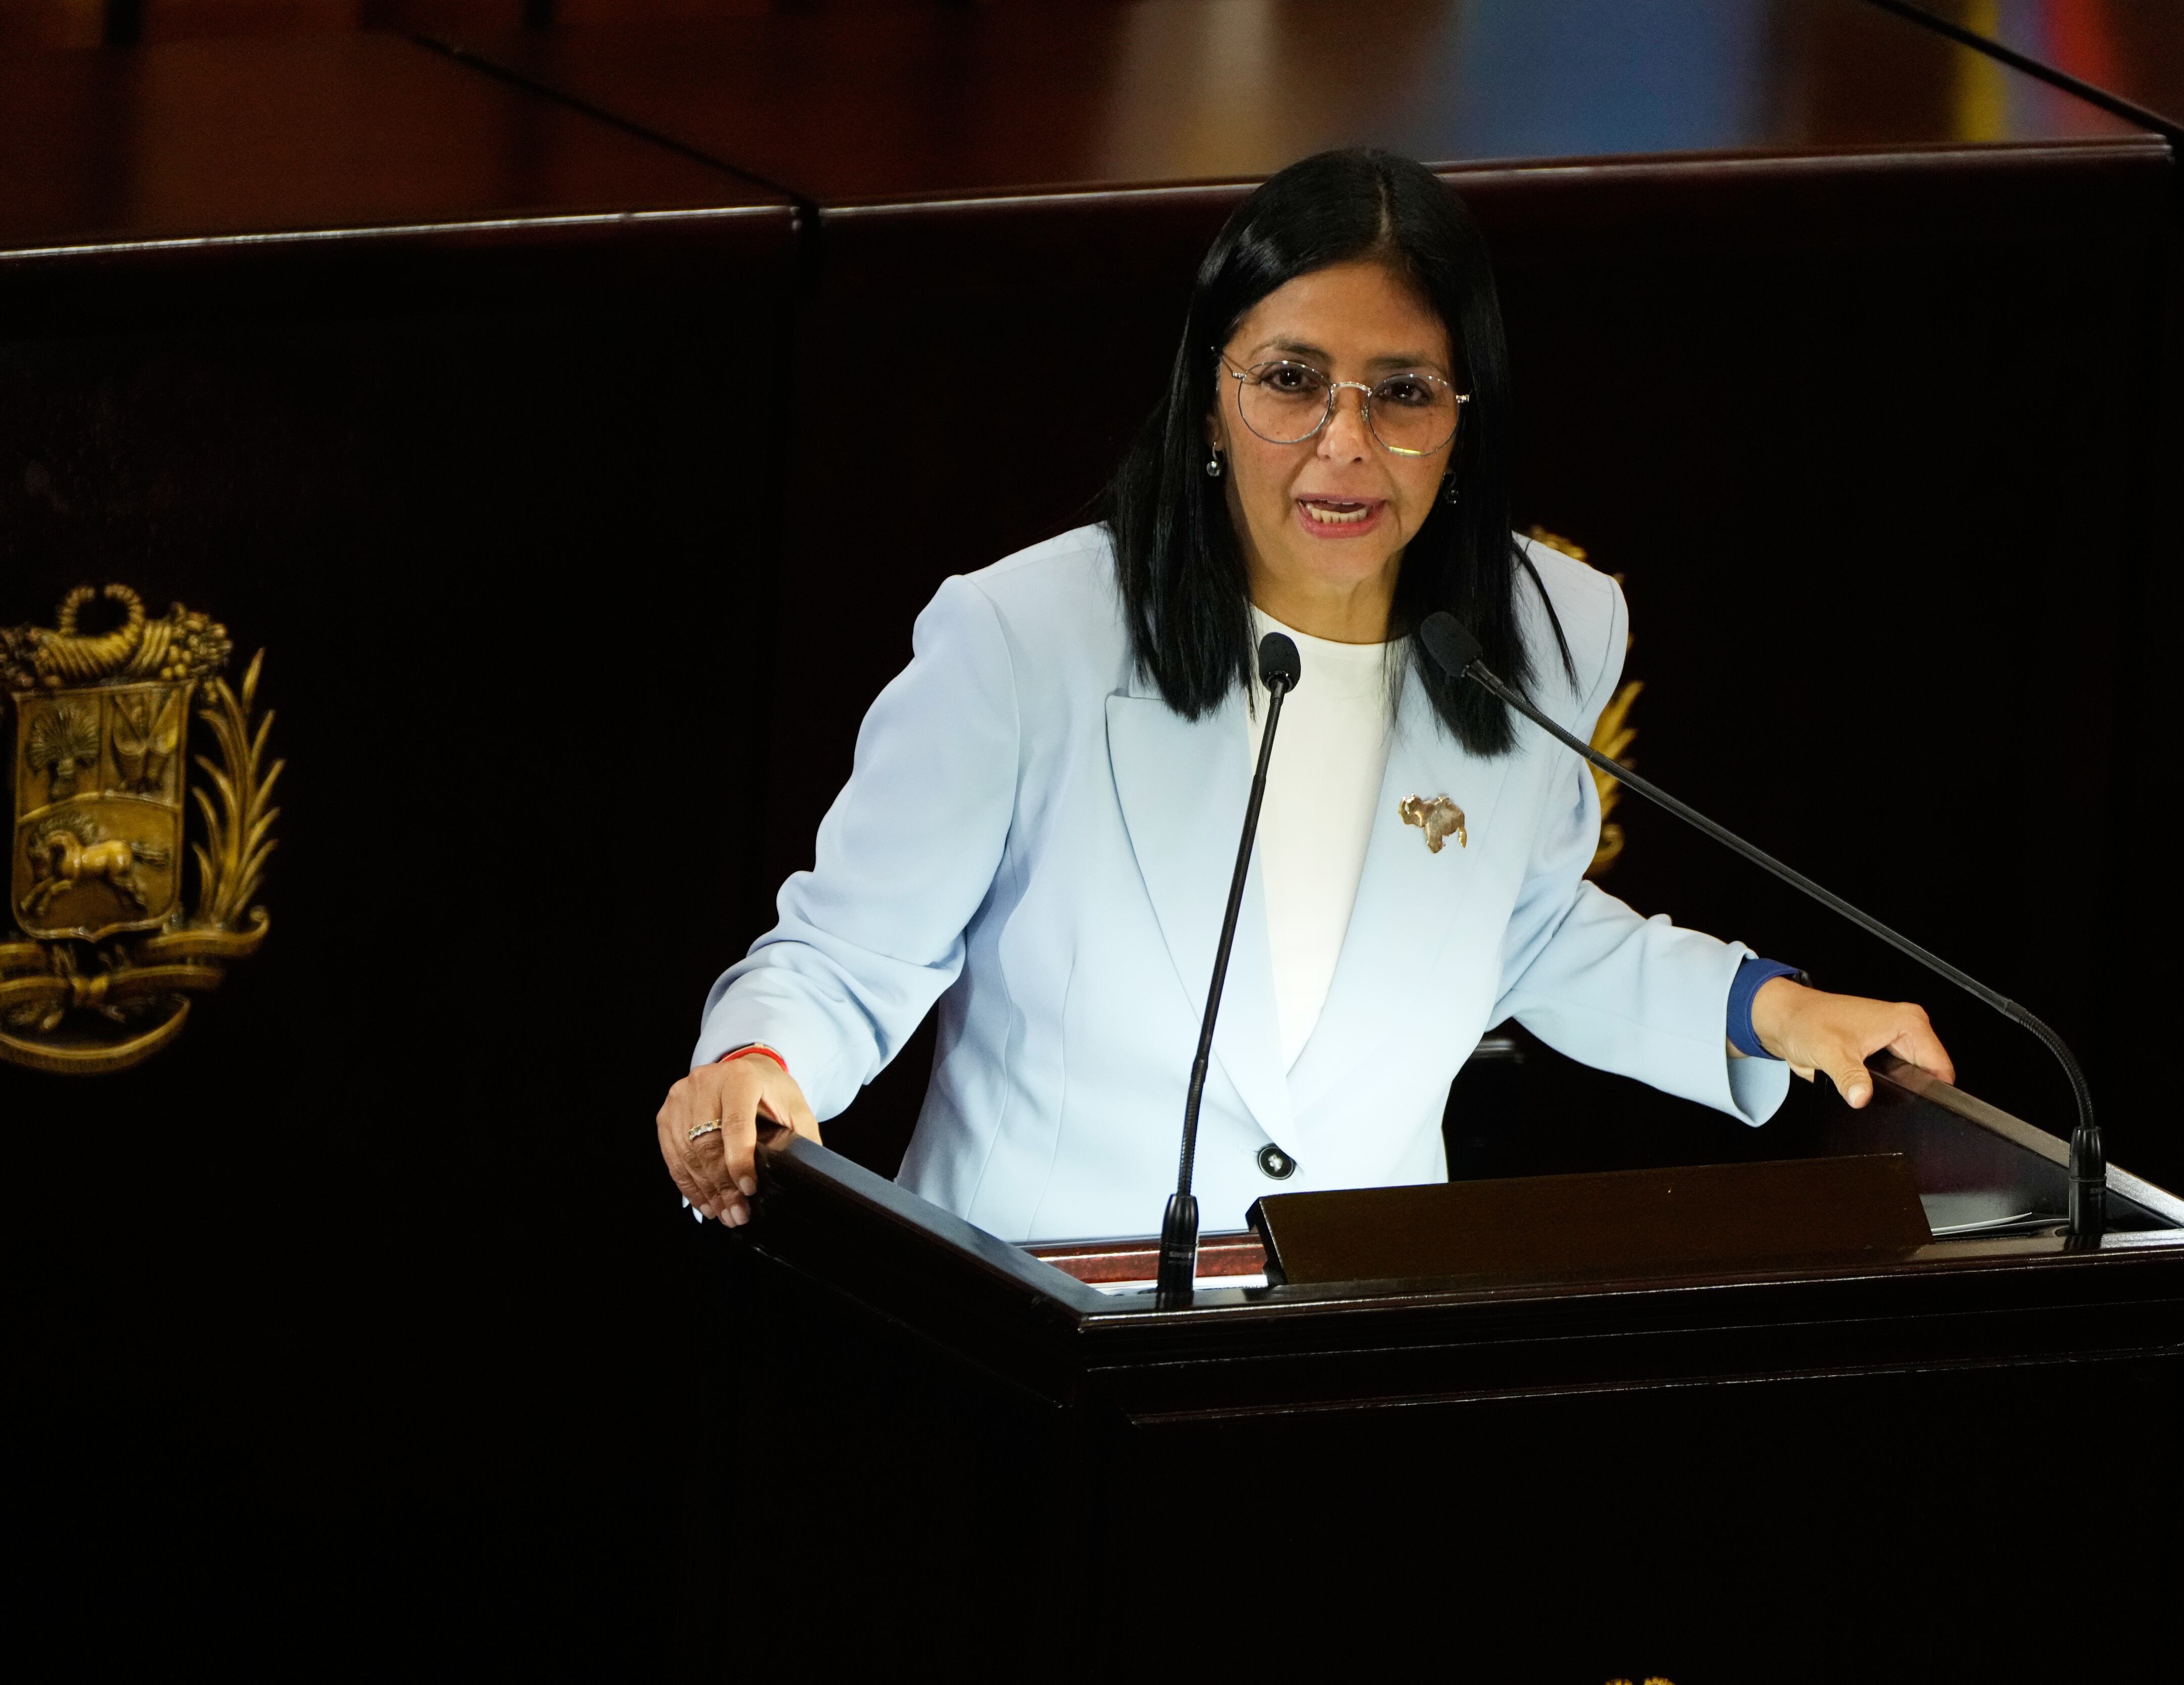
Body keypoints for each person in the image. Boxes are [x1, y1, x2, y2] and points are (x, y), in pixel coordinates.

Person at [659, 149, 1952, 1241]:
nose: (1344, 444)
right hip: (1041, 1324)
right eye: (1289, 381)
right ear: (1210, 399)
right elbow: (850, 956)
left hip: (1343, 1334)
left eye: (1400, 394)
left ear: (1463, 417)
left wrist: (1763, 1007)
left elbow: (1521, 925)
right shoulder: (1024, 636)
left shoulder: (1549, 628)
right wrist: (759, 1064)